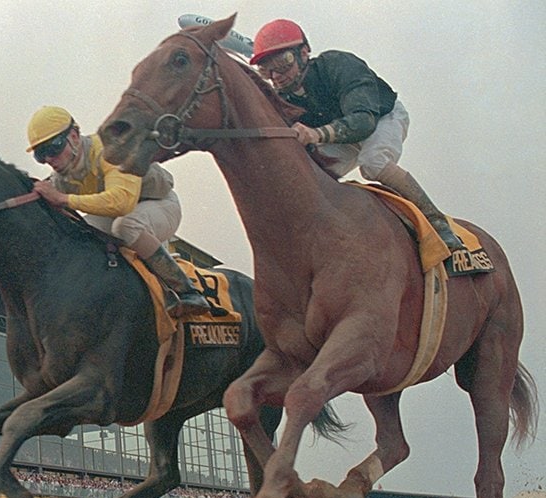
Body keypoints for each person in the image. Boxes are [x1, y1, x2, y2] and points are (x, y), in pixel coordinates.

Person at [249, 19, 463, 251]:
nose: (276, 76)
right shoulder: (284, 98)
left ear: (304, 53)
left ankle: (437, 223)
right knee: (310, 174)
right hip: (339, 136)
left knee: (373, 163)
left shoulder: (339, 64)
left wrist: (315, 134)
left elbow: (364, 121)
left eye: (283, 63)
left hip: (381, 118)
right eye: (266, 69)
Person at [26, 106, 210, 317]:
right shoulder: (61, 178)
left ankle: (186, 291)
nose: (49, 159)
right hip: (118, 213)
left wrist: (63, 199)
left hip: (160, 204)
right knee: (81, 236)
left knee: (126, 225)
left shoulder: (111, 151)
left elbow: (122, 202)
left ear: (74, 136)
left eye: (54, 148)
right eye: (41, 155)